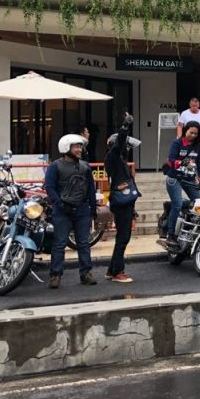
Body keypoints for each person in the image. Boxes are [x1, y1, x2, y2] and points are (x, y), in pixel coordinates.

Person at [44, 133, 98, 289]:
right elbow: (50, 187)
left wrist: (93, 209)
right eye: (76, 147)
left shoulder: (85, 166)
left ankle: (86, 273)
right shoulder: (55, 166)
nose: (79, 149)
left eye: (80, 146)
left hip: (82, 210)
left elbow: (91, 189)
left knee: (84, 243)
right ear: (66, 147)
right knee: (59, 244)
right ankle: (55, 275)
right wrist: (59, 204)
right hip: (62, 211)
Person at [103, 112, 140, 283]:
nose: (127, 148)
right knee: (123, 238)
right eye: (126, 145)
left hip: (126, 203)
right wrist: (125, 126)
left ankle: (112, 270)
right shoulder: (113, 157)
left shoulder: (119, 160)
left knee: (122, 237)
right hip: (121, 203)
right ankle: (118, 271)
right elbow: (118, 144)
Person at [164, 120, 200, 248]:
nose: (193, 135)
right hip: (174, 178)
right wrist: (181, 162)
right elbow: (170, 160)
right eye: (191, 132)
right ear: (185, 131)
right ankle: (170, 235)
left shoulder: (198, 146)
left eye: (195, 133)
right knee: (177, 204)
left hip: (189, 179)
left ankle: (189, 230)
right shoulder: (177, 143)